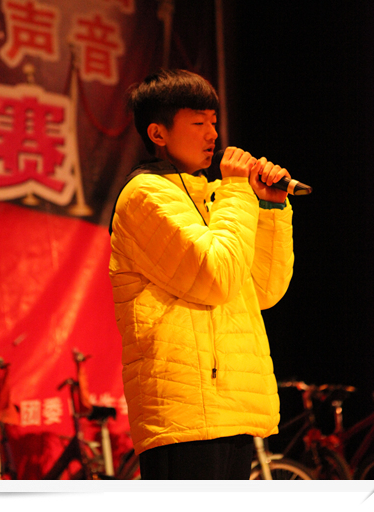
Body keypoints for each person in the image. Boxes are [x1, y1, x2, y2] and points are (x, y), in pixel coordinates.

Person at [108, 69, 294, 480]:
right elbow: (218, 276)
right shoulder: (145, 196)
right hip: (185, 413)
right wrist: (237, 190)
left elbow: (261, 290)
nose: (213, 134)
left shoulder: (209, 197)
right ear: (158, 133)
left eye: (213, 122)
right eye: (198, 123)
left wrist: (269, 208)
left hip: (231, 407)